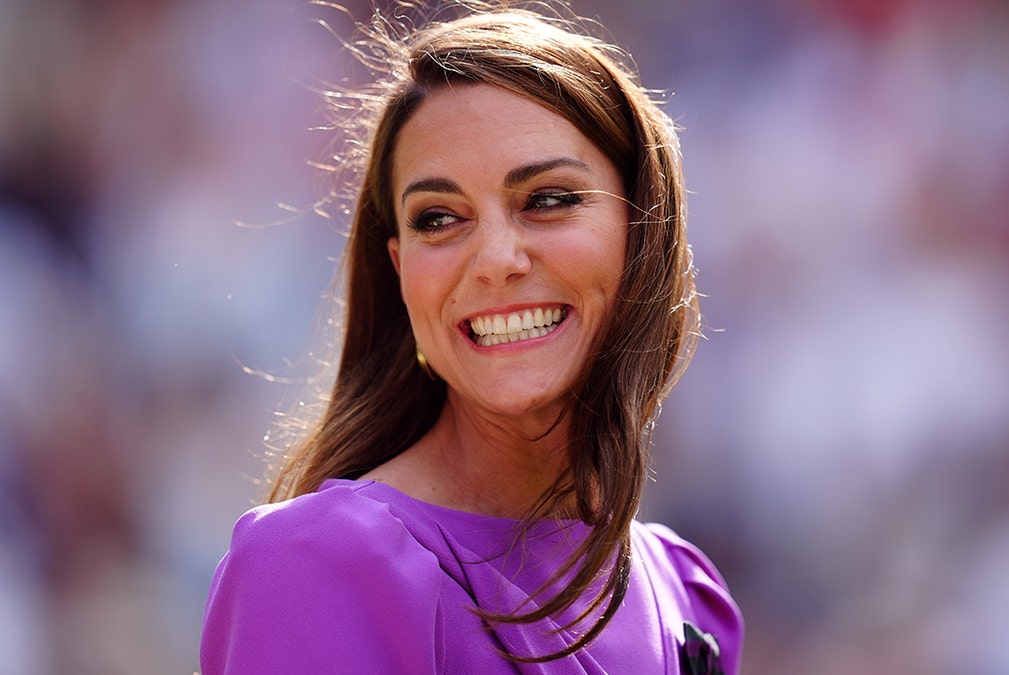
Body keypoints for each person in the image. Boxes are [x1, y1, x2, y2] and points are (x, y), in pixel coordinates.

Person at [200, 3, 744, 673]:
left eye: (547, 198)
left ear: (643, 231)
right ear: (402, 274)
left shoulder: (685, 593)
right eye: (440, 217)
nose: (495, 258)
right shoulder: (316, 564)